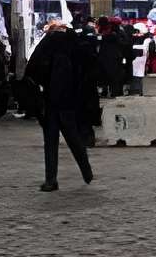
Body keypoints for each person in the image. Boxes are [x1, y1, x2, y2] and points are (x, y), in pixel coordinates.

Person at [23, 14, 99, 191]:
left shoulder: (47, 45)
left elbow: (32, 70)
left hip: (50, 100)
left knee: (51, 142)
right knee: (73, 138)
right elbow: (88, 71)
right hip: (68, 100)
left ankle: (51, 180)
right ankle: (86, 171)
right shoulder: (75, 44)